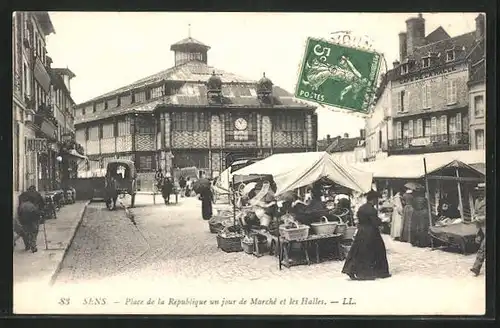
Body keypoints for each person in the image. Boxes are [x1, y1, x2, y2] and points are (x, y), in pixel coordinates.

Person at [341, 190, 391, 280]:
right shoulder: (371, 209)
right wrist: (382, 221)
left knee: (358, 251)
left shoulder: (362, 208)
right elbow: (374, 221)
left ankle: (351, 270)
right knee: (378, 251)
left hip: (361, 231)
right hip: (371, 232)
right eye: (376, 199)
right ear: (373, 199)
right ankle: (379, 272)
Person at [17, 185, 45, 253]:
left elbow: (19, 210)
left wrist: (20, 219)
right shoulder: (36, 194)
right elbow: (42, 204)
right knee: (34, 232)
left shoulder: (23, 194)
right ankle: (33, 247)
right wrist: (42, 214)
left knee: (26, 232)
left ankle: (27, 245)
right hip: (33, 216)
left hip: (23, 214)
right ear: (34, 189)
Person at [471, 183, 486, 276]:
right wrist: (475, 216)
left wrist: (479, 218)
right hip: (480, 228)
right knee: (481, 246)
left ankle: (476, 268)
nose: (480, 193)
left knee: (483, 248)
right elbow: (475, 212)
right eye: (478, 191)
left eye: (482, 191)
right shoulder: (477, 201)